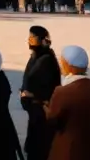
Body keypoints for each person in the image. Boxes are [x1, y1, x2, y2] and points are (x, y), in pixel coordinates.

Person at [44, 45, 90, 160]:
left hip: (69, 152)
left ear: (67, 65)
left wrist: (45, 108)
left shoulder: (62, 92)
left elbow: (53, 120)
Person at [21, 25, 60, 160]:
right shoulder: (36, 57)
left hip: (42, 114)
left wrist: (33, 95)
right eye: (29, 37)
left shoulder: (47, 60)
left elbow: (50, 88)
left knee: (40, 149)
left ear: (42, 40)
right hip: (35, 114)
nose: (29, 40)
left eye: (33, 37)